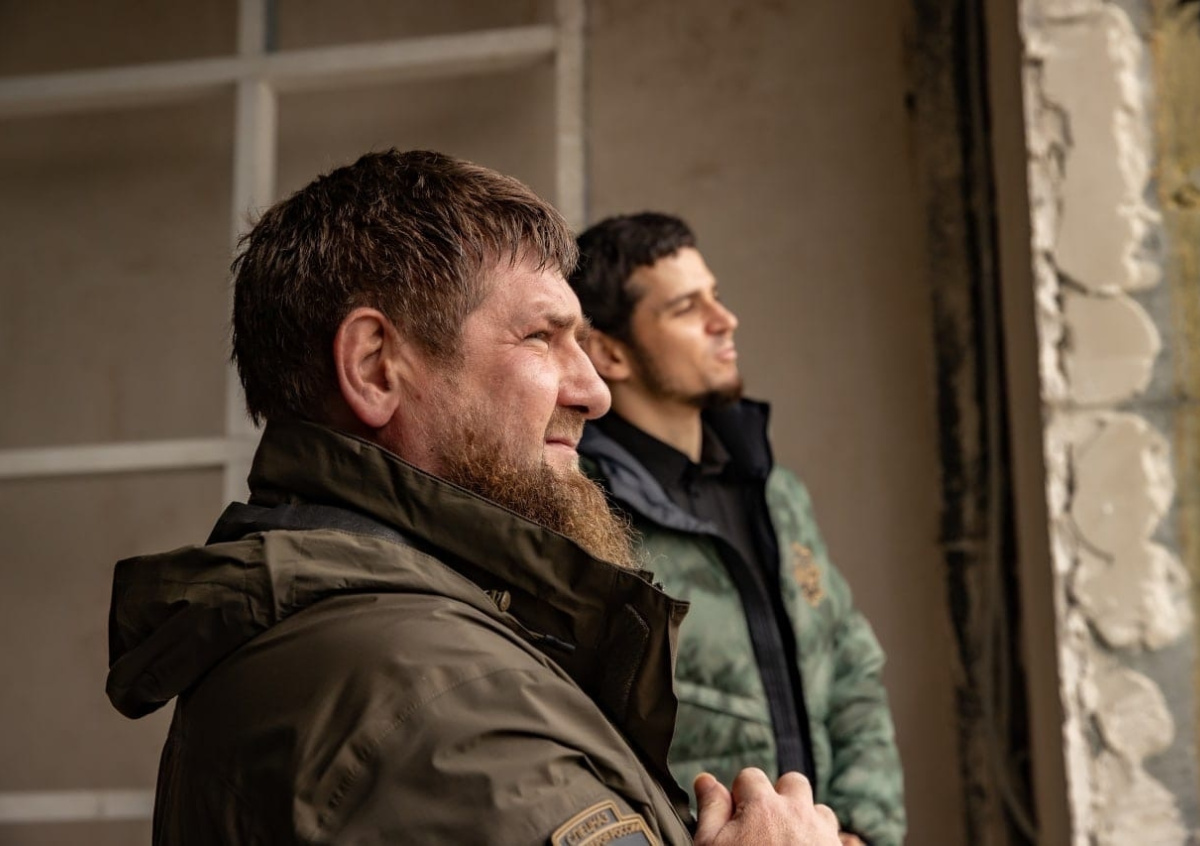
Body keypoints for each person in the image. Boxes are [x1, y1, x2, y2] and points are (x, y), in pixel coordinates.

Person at [104, 151, 842, 845]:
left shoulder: (409, 635)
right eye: (542, 337)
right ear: (375, 366)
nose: (593, 392)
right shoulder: (438, 696)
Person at [569, 213, 906, 846]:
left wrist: (860, 828)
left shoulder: (775, 492)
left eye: (716, 296)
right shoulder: (581, 511)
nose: (725, 320)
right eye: (686, 308)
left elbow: (850, 664)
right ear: (609, 352)